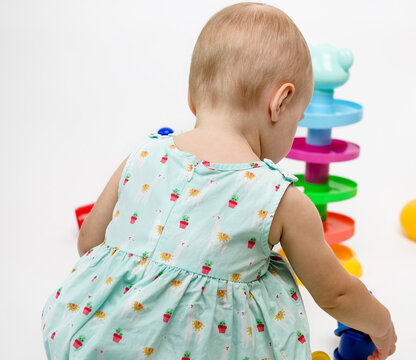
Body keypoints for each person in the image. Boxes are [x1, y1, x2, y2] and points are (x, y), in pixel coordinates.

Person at [41, 2, 396, 359]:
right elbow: (336, 294)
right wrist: (382, 326)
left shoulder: (144, 154)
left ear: (192, 99)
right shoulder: (279, 198)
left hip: (92, 342)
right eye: (298, 119)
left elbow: (90, 242)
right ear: (280, 103)